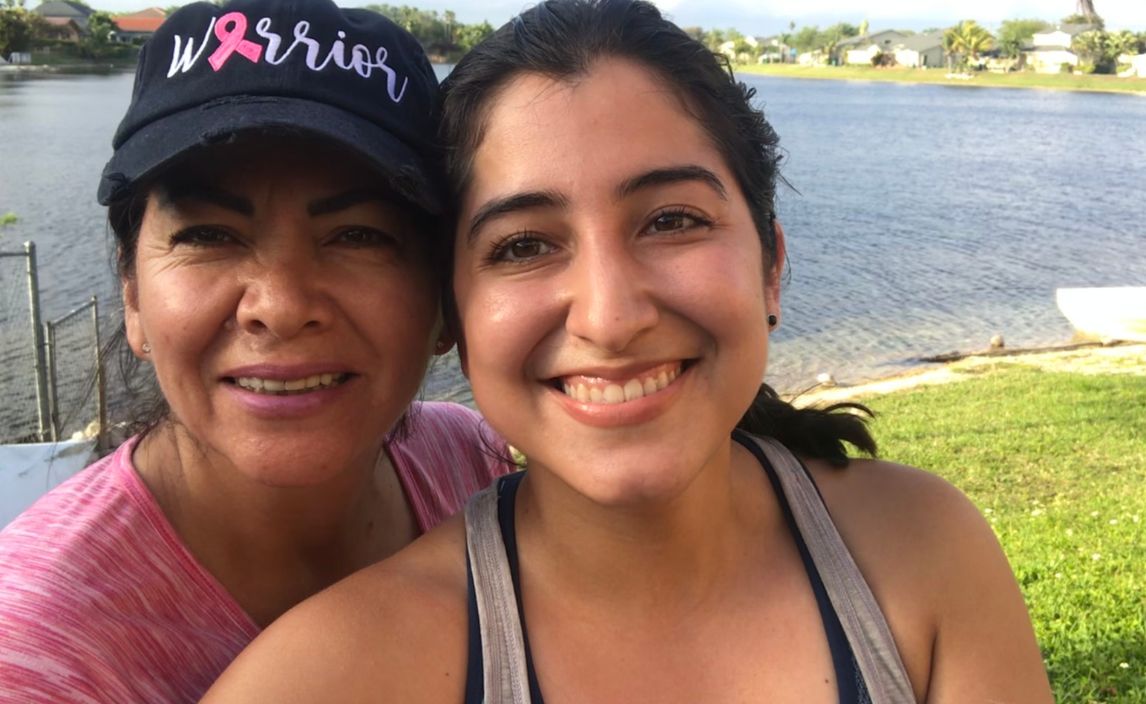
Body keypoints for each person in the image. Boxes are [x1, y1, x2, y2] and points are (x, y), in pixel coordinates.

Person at [203, 1, 1054, 701]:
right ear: (452, 316)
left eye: (673, 221)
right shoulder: (330, 677)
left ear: (771, 264)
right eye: (523, 245)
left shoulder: (922, 553)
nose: (610, 318)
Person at [0, 1, 512, 701]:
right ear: (133, 295)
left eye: (359, 235)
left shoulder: (467, 464)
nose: (280, 305)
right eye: (209, 235)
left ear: (443, 303)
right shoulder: (36, 652)